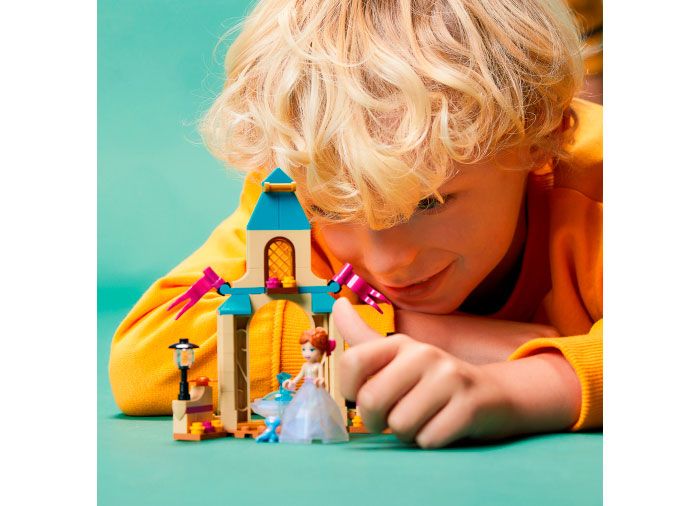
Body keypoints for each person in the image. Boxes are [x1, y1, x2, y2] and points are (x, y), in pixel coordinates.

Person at [109, 0, 602, 448]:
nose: (388, 263)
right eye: (331, 210)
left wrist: (522, 388)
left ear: (540, 134)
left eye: (428, 202)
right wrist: (438, 336)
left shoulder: (598, 185)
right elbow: (146, 356)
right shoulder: (299, 179)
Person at [278, 328, 349, 444]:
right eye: (303, 349)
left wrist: (321, 381)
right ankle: (304, 433)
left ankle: (323, 432)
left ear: (321, 351)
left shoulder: (317, 366)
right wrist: (291, 382)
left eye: (311, 349)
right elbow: (298, 377)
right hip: (305, 390)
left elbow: (321, 377)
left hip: (316, 389)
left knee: (319, 410)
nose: (306, 353)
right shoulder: (305, 366)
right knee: (303, 410)